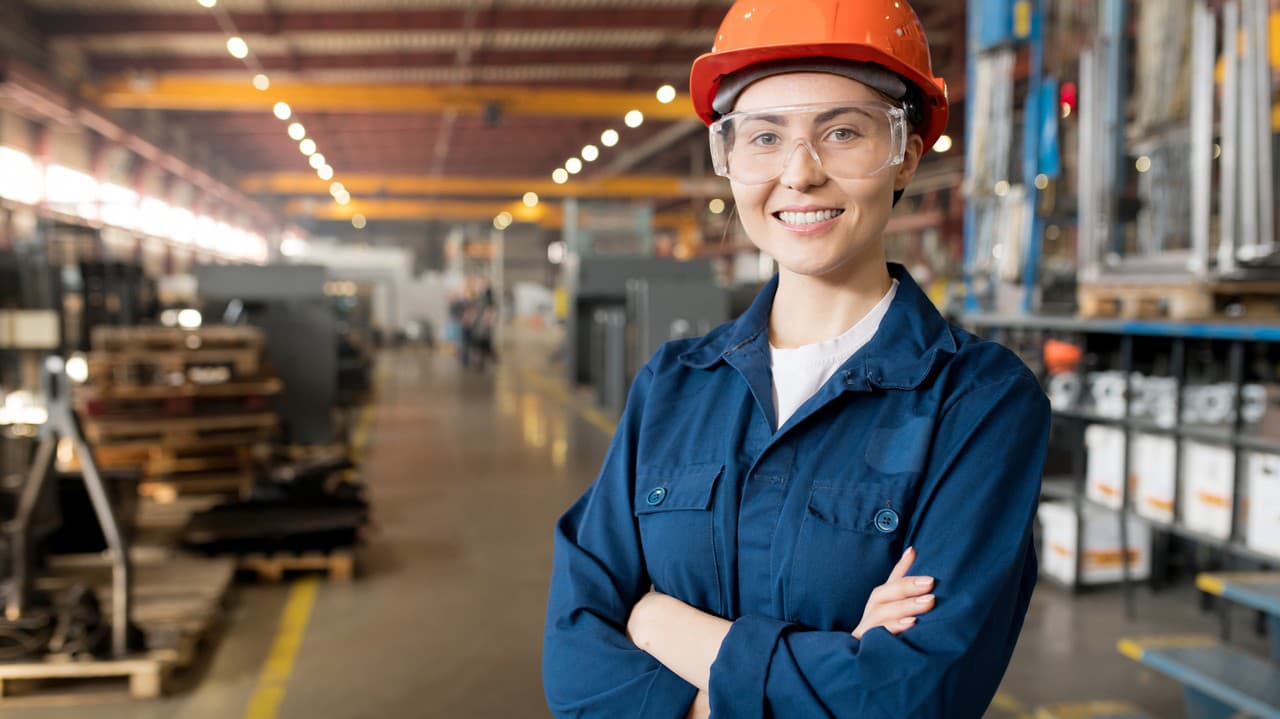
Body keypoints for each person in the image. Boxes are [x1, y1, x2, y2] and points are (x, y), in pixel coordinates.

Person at [543, 1, 1052, 716]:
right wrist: (833, 662)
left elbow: (910, 696)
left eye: (843, 132)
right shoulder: (673, 385)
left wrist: (661, 623)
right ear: (728, 159)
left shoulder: (980, 403)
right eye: (764, 137)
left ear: (905, 150)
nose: (800, 173)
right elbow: (574, 661)